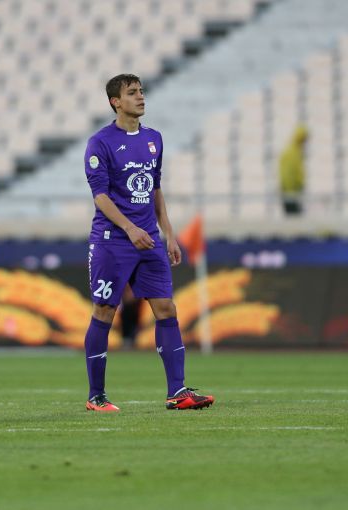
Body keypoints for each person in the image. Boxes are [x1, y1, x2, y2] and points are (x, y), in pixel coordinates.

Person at [82, 73, 214, 412]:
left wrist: (168, 233)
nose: (140, 97)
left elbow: (154, 190)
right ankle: (96, 396)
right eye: (132, 93)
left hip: (149, 240)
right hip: (113, 240)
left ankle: (177, 391)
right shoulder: (100, 143)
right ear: (115, 102)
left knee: (166, 308)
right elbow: (100, 197)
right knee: (105, 310)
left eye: (141, 91)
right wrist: (129, 229)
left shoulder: (154, 139)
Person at [278, 124, 308, 215]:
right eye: (304, 140)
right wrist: (291, 191)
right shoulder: (291, 152)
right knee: (294, 218)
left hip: (293, 192)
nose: (305, 143)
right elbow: (287, 174)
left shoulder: (296, 152)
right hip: (291, 193)